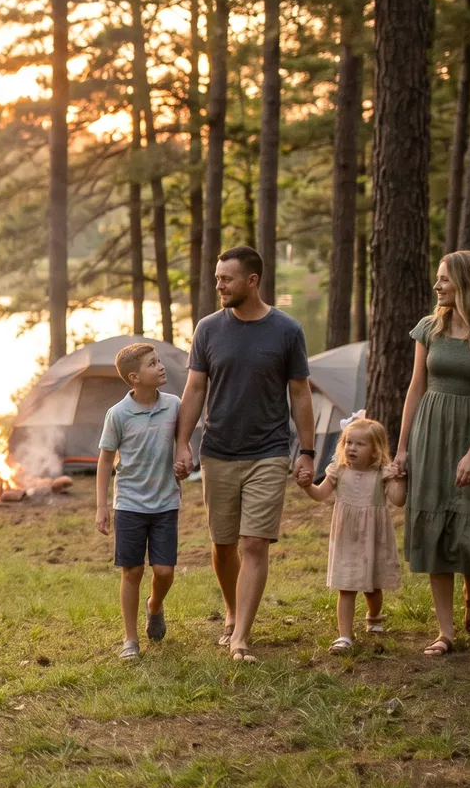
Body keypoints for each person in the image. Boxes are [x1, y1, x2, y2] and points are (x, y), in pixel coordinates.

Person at [174, 246, 313, 663]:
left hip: (269, 451)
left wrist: (306, 451)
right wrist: (183, 441)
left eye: (226, 279)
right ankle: (232, 611)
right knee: (223, 543)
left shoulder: (287, 330)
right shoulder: (208, 329)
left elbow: (300, 393)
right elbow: (195, 388)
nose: (218, 285)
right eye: (217, 278)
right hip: (218, 450)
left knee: (255, 543)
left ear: (252, 281)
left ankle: (241, 638)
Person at [394, 250, 470, 657]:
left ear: (466, 282)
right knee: (436, 527)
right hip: (431, 431)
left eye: (444, 279)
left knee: (467, 522)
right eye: (437, 278)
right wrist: (402, 448)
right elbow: (415, 388)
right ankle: (445, 632)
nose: (437, 286)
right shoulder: (429, 328)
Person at [95, 343, 182, 661]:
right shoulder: (117, 414)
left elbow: (183, 441)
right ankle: (130, 639)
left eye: (159, 361)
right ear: (134, 377)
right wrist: (102, 506)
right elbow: (105, 461)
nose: (161, 367)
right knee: (131, 571)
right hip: (129, 503)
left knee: (164, 570)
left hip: (165, 502)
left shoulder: (174, 405)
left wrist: (184, 457)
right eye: (152, 364)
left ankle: (154, 605)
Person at [297, 413, 405, 653]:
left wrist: (402, 480)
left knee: (373, 586)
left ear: (375, 450)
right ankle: (344, 636)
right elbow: (320, 494)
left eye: (360, 444)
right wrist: (307, 486)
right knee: (346, 586)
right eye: (348, 442)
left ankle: (374, 617)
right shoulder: (338, 471)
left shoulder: (381, 474)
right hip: (347, 538)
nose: (352, 448)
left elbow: (398, 501)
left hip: (373, 537)